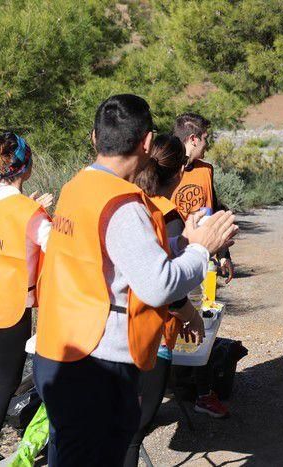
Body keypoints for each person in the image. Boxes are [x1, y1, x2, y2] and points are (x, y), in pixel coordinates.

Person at [33, 94, 238, 467]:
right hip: (97, 363)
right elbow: (158, 284)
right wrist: (201, 250)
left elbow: (115, 255)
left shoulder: (76, 187)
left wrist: (182, 242)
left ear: (95, 138)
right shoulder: (124, 204)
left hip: (57, 349)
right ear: (147, 142)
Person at [124, 133, 200, 467]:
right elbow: (164, 281)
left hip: (116, 331)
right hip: (153, 336)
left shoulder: (128, 203)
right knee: (134, 430)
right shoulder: (167, 215)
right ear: (180, 173)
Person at [0, 132, 52, 429]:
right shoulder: (30, 213)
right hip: (11, 307)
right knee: (5, 382)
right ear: (25, 166)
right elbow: (58, 248)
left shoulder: (22, 208)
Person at [170, 112, 233, 282]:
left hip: (204, 256)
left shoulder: (206, 170)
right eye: (205, 138)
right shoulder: (164, 171)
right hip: (174, 259)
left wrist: (223, 254)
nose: (207, 144)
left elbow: (214, 209)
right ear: (193, 139)